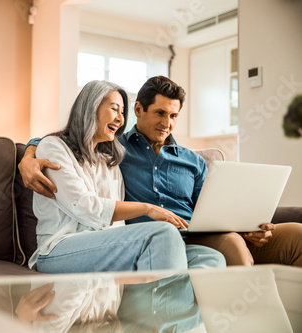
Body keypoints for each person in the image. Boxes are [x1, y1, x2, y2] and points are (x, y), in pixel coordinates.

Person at [20, 76, 302, 267]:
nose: (167, 123)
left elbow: (215, 208)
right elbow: (72, 139)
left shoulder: (193, 161)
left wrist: (249, 225)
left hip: (199, 232)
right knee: (229, 243)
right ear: (139, 110)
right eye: (160, 113)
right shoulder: (114, 148)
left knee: (296, 234)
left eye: (174, 115)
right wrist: (30, 153)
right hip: (156, 237)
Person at [26, 80, 225, 274]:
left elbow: (118, 224)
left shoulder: (110, 158)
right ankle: (171, 305)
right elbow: (83, 206)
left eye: (122, 112)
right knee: (163, 232)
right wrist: (29, 154)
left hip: (107, 244)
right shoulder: (54, 147)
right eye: (114, 109)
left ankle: (182, 306)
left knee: (212, 258)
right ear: (90, 107)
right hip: (59, 247)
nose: (121, 119)